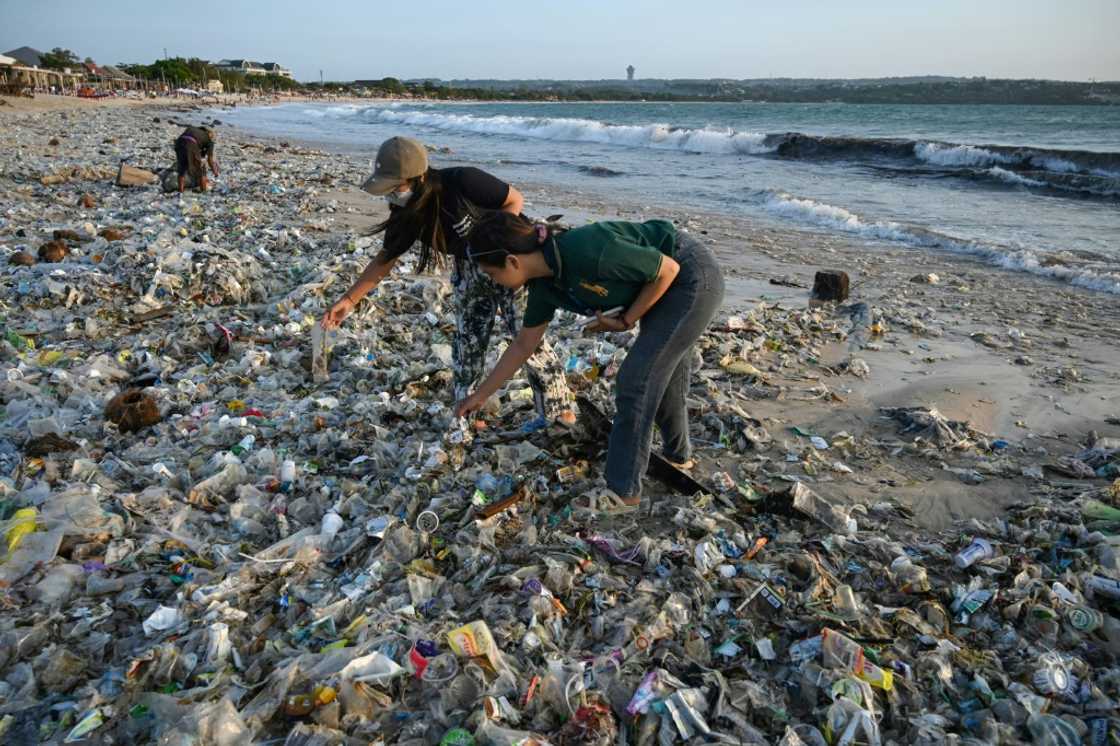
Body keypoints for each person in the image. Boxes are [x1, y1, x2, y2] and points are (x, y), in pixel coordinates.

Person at [454, 213, 724, 510]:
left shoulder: (585, 248)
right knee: (661, 370)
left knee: (636, 381)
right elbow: (523, 344)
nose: (496, 283)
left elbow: (668, 269)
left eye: (493, 275)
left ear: (513, 262)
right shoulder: (545, 285)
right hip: (661, 285)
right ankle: (678, 457)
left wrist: (625, 320)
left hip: (690, 277)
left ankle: (623, 492)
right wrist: (480, 395)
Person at [320, 136, 572, 426]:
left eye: (394, 188)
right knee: (467, 342)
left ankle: (558, 413)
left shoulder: (463, 182)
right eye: (386, 190)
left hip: (510, 262)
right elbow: (385, 258)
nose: (391, 195)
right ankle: (467, 415)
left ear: (418, 177)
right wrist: (349, 300)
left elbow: (514, 199)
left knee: (528, 340)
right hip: (469, 270)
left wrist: (494, 245)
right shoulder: (408, 211)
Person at [175, 125, 218, 193]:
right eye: (212, 135)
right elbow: (210, 159)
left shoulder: (192, 128)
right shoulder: (209, 140)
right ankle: (203, 191)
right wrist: (215, 172)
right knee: (201, 171)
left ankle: (181, 192)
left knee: (182, 169)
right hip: (191, 145)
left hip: (178, 143)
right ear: (209, 133)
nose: (212, 137)